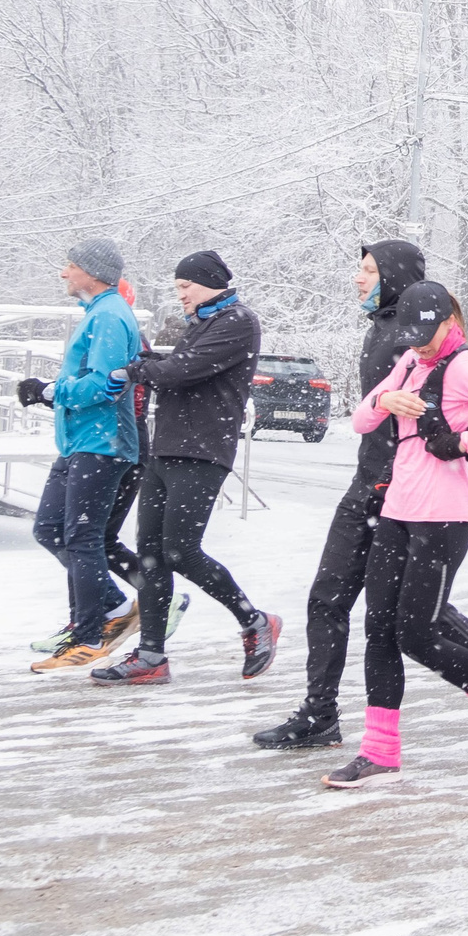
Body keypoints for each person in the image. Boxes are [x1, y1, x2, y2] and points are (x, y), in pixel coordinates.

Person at [254, 242, 468, 750]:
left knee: (392, 616)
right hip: (372, 483)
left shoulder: (413, 335)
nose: (357, 278)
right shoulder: (382, 329)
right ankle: (328, 714)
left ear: (393, 275)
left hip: (392, 491)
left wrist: (458, 439)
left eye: (368, 269)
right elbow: (365, 416)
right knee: (366, 609)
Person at [322, 281, 468, 787]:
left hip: (443, 516)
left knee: (416, 633)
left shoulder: (463, 364)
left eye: (426, 334)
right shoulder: (410, 363)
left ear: (448, 321)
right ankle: (379, 752)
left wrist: (464, 441)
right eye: (411, 335)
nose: (419, 344)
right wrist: (387, 401)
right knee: (378, 629)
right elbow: (359, 420)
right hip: (396, 509)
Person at [90, 251, 281, 686]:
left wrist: (137, 368)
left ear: (210, 282)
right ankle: (151, 655)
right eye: (177, 288)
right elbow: (173, 367)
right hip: (167, 448)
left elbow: (184, 370)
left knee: (181, 550)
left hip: (204, 451)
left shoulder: (237, 321)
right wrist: (145, 362)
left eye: (185, 286)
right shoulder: (202, 323)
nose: (180, 295)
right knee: (152, 552)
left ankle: (254, 621)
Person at [24, 239, 144, 672]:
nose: (63, 273)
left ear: (91, 273)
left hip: (102, 443)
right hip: (80, 443)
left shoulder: (111, 316)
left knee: (83, 538)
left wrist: (50, 391)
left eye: (69, 266)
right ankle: (112, 609)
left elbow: (108, 384)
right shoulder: (97, 314)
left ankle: (89, 635)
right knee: (50, 529)